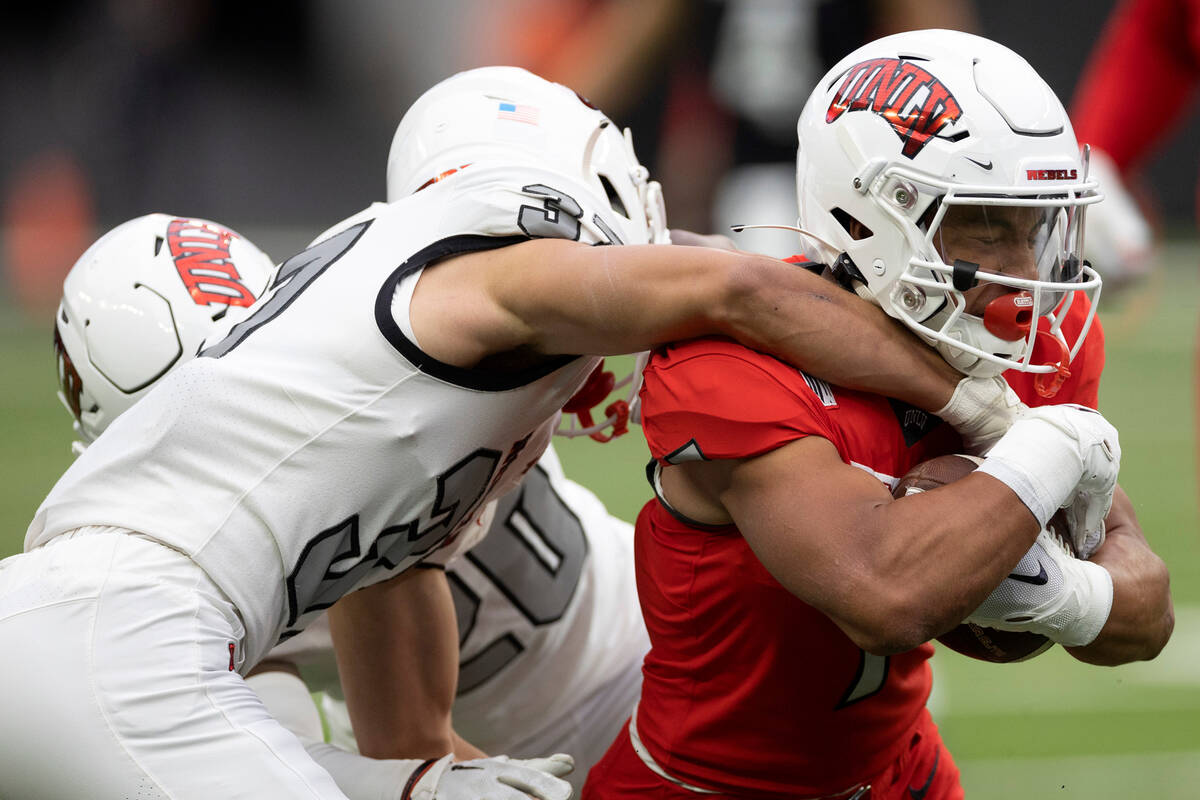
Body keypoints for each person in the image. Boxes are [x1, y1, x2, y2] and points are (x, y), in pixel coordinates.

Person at [0, 65, 1011, 800]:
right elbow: (736, 282)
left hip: (83, 636)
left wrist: (428, 783)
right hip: (131, 638)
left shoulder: (384, 379)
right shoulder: (490, 265)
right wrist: (987, 406)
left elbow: (407, 734)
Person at [583, 30, 1173, 800]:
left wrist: (1062, 597)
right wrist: (1048, 448)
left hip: (904, 773)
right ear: (869, 218)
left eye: (1037, 228)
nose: (1028, 278)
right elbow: (885, 595)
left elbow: (1146, 615)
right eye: (988, 225)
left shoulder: (1034, 345)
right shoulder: (730, 364)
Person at [48, 212, 649, 798]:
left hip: (579, 717)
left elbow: (308, 762)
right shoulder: (400, 333)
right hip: (641, 643)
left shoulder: (202, 556)